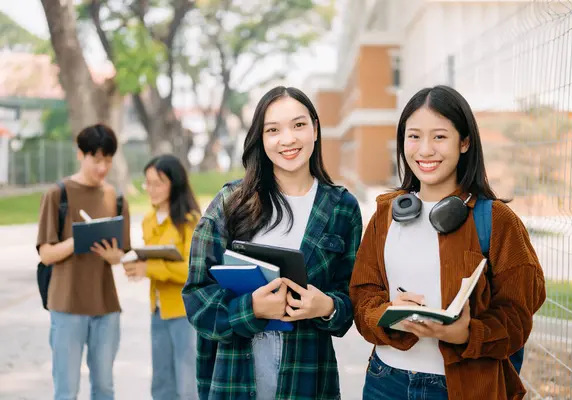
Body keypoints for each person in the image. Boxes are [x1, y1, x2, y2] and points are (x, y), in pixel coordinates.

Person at [349, 85, 546, 400]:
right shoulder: (385, 216)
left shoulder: (497, 220)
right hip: (385, 382)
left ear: (465, 142)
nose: (425, 150)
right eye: (414, 137)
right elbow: (362, 298)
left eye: (439, 137)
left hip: (465, 387)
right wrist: (387, 315)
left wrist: (466, 333)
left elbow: (518, 317)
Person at [182, 86, 363, 400]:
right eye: (273, 130)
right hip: (237, 376)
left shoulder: (342, 207)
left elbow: (354, 301)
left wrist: (327, 306)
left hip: (307, 377)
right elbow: (197, 297)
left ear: (316, 129)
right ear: (260, 139)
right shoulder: (231, 202)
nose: (288, 139)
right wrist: (250, 308)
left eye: (298, 125)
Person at [37, 123, 131, 400]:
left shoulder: (116, 198)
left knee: (104, 388)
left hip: (106, 306)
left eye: (108, 160)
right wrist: (77, 239)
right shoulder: (58, 195)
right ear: (80, 154)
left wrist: (117, 257)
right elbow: (45, 254)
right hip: (66, 305)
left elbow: (124, 252)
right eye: (96, 159)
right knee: (66, 389)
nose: (103, 167)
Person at [123, 154, 200, 400]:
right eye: (148, 183)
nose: (151, 190)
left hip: (184, 313)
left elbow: (192, 271)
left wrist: (150, 269)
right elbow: (152, 260)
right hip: (157, 310)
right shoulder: (147, 220)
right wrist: (137, 266)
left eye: (159, 183)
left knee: (187, 385)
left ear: (174, 183)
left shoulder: (190, 222)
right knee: (161, 383)